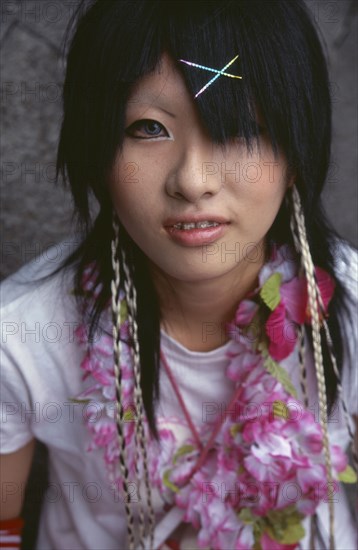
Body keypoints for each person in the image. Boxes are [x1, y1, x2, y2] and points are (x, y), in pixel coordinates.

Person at [0, 1, 357, 549]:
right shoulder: (20, 334)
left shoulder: (352, 313)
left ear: (296, 152)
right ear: (99, 150)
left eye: (239, 128)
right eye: (148, 128)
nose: (193, 180)